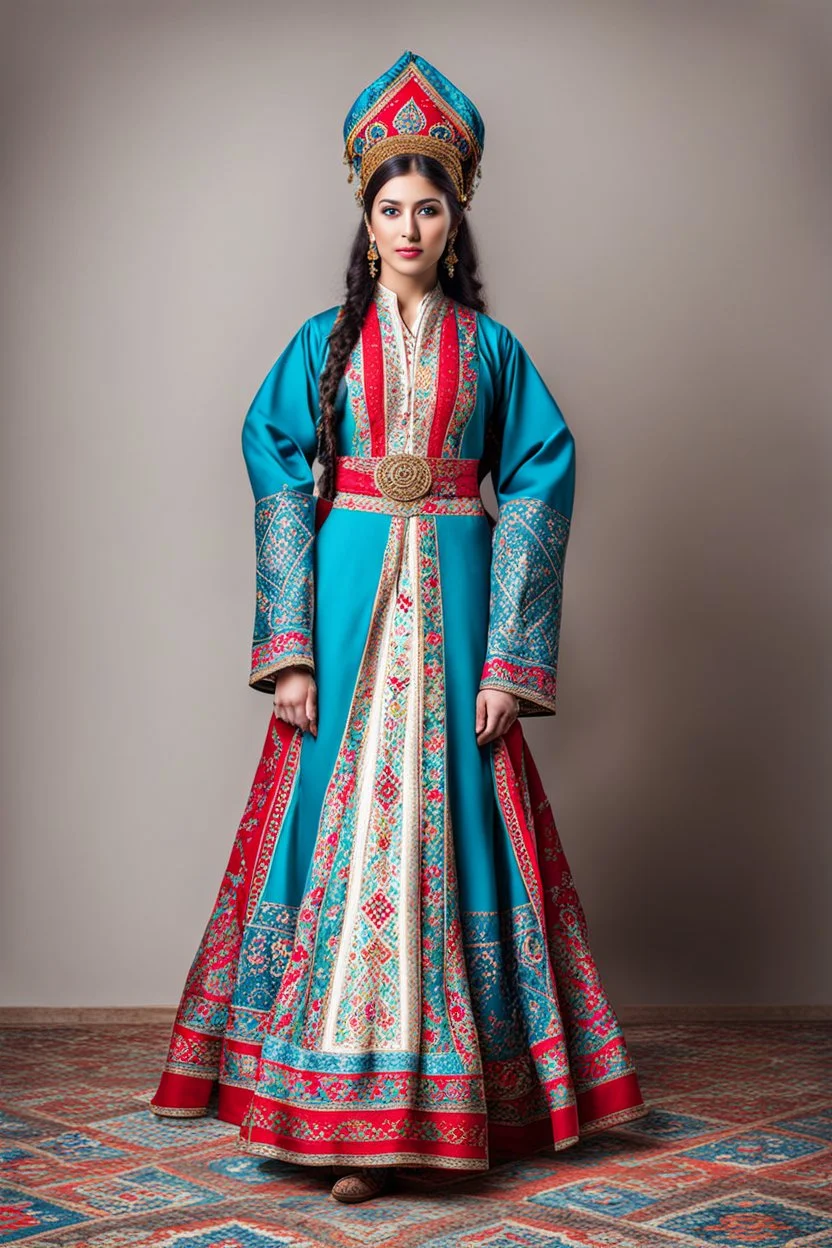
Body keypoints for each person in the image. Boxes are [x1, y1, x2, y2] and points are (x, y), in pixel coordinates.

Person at [150, 48, 648, 1204]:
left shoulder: (492, 351)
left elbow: (540, 473)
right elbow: (275, 465)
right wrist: (289, 647)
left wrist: (509, 663)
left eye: (430, 207)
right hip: (347, 601)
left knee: (461, 828)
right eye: (390, 208)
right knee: (335, 829)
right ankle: (334, 1112)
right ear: (365, 221)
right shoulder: (324, 348)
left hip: (460, 616)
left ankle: (460, 1101)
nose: (410, 225)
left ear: (456, 221)